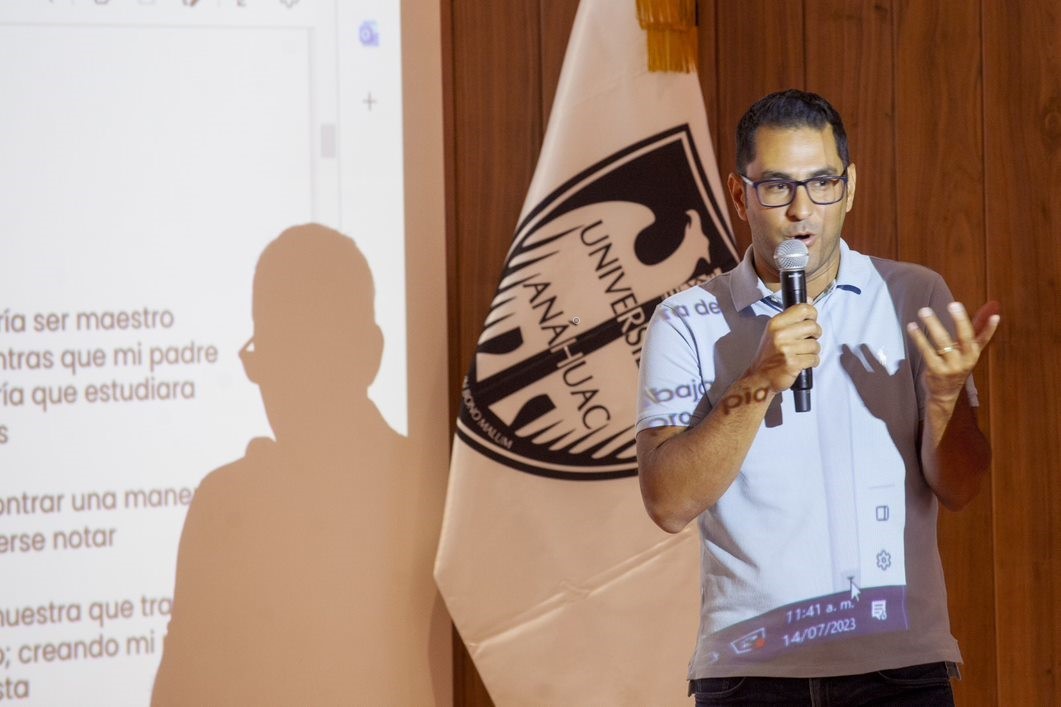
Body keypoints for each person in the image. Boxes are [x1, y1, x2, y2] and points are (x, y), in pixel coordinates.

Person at [635, 89, 1000, 704]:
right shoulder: (687, 319)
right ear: (737, 194)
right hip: (749, 671)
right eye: (776, 186)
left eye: (822, 183)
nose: (802, 210)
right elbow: (668, 503)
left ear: (849, 187)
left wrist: (942, 402)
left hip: (898, 667)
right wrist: (758, 380)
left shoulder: (913, 295)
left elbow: (962, 488)